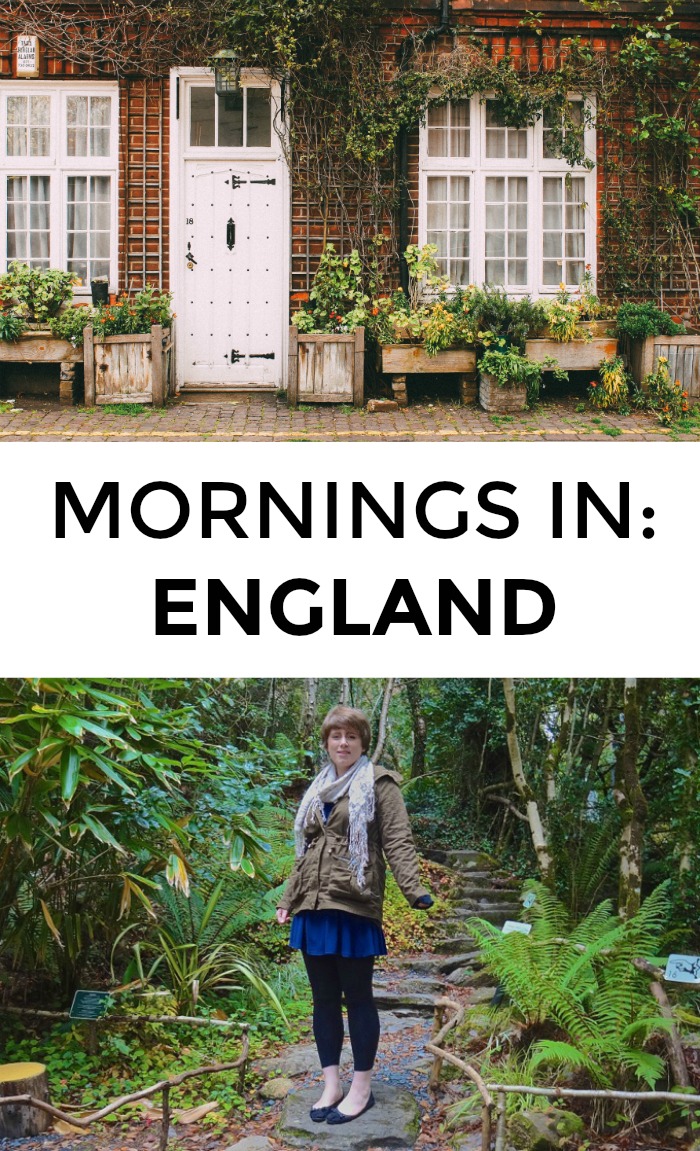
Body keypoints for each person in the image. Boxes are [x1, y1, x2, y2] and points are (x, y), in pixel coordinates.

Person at [276, 705, 433, 1125]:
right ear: (327, 742)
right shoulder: (318, 788)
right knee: (323, 999)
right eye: (335, 736)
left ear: (363, 742)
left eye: (351, 737)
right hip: (313, 907)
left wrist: (414, 890)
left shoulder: (380, 785)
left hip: (354, 904)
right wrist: (288, 898)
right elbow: (306, 851)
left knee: (358, 997)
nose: (342, 743)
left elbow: (398, 841)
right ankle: (332, 1084)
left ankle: (361, 1087)